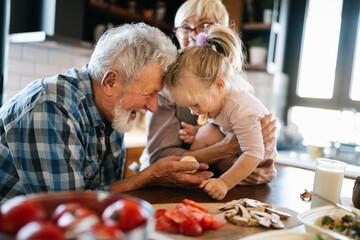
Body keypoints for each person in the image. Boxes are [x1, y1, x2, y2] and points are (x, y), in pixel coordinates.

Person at [0, 23, 214, 203]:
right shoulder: (51, 107)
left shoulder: (114, 111)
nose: (153, 107)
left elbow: (107, 196)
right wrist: (149, 175)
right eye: (149, 93)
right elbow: (67, 209)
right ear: (110, 82)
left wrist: (153, 177)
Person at [140, 0, 277, 185]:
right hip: (169, 182)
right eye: (185, 27)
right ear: (176, 33)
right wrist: (227, 148)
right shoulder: (168, 85)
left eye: (205, 25)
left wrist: (261, 169)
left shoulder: (233, 88)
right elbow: (159, 157)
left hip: (210, 180)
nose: (194, 35)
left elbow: (256, 150)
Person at [163, 26, 277, 200]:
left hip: (255, 161)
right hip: (237, 152)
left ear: (219, 86)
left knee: (214, 142)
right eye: (189, 107)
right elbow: (223, 126)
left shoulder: (241, 109)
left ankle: (207, 177)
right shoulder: (218, 99)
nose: (193, 112)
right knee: (205, 131)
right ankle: (193, 174)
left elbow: (253, 153)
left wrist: (224, 182)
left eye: (195, 104)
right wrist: (196, 132)